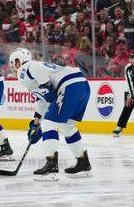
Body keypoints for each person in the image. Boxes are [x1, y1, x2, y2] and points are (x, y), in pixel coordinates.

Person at [11, 48, 92, 180]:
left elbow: (35, 68)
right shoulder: (39, 71)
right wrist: (35, 123)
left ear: (17, 61)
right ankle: (83, 162)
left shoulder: (25, 68)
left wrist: (46, 83)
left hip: (68, 85)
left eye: (13, 64)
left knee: (48, 123)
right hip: (81, 84)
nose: (14, 68)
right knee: (68, 126)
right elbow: (44, 100)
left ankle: (51, 166)